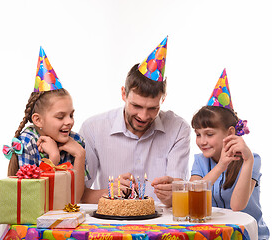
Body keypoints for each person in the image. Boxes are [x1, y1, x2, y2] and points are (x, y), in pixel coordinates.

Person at [80, 36, 190, 206]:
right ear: (124, 94)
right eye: (136, 105)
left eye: (153, 108)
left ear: (163, 99)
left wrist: (173, 196)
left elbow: (180, 194)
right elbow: (80, 196)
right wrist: (109, 193)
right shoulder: (93, 128)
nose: (143, 116)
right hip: (111, 226)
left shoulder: (178, 129)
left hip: (162, 227)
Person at [190, 69, 269, 239]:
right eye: (198, 134)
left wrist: (247, 161)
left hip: (245, 235)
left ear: (230, 132)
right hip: (214, 234)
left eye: (209, 134)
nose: (202, 141)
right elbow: (192, 197)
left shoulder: (252, 159)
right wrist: (220, 166)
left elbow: (237, 205)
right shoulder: (200, 161)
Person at [3, 47, 90, 202]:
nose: (69, 121)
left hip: (62, 217)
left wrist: (80, 155)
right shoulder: (28, 141)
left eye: (71, 115)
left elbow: (75, 199)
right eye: (60, 116)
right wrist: (53, 158)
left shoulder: (76, 142)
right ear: (38, 120)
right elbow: (31, 199)